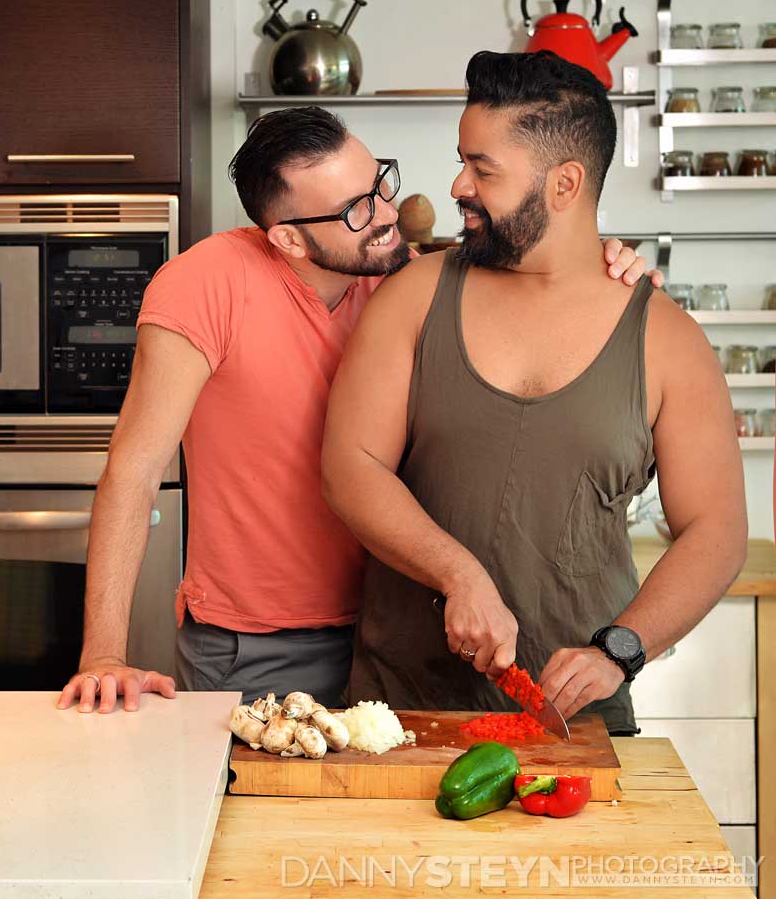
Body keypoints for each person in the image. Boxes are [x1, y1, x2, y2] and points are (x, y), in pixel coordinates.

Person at [56, 104, 661, 716]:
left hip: (399, 637)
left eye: (380, 182)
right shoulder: (202, 286)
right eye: (356, 209)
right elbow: (133, 473)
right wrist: (103, 654)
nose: (387, 214)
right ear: (289, 238)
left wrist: (603, 263)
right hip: (255, 648)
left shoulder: (403, 276)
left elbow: (538, 265)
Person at [319, 51, 747, 735]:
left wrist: (622, 648)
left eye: (482, 169)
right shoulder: (413, 297)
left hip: (573, 724)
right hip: (400, 714)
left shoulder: (666, 341)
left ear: (564, 184)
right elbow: (349, 468)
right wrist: (458, 574)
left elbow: (716, 531)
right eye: (463, 160)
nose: (458, 184)